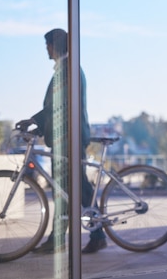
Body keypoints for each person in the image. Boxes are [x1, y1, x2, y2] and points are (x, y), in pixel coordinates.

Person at [16, 28, 107, 254]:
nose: (46, 49)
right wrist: (39, 126)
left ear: (55, 46)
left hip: (69, 139)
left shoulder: (68, 69)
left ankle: (66, 239)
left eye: (47, 44)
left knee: (68, 189)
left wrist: (32, 120)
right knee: (72, 189)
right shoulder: (68, 68)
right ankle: (90, 236)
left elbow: (57, 105)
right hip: (67, 137)